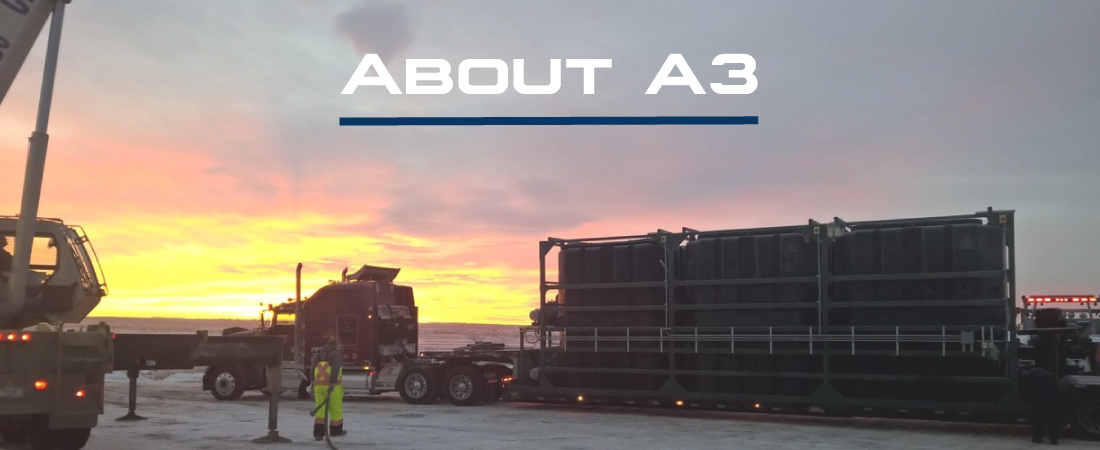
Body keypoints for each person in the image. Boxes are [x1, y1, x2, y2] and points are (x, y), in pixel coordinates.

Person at [312, 329, 346, 440]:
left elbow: (313, 368)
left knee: (320, 410)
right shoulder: (335, 354)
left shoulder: (319, 354)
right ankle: (336, 431)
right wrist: (332, 382)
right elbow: (335, 369)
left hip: (318, 386)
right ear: (335, 345)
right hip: (332, 387)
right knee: (336, 409)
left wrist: (312, 382)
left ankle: (318, 433)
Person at [1019, 366, 1062, 444]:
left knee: (1038, 419)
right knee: (1053, 418)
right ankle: (1053, 439)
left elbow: (1028, 392)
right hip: (1053, 398)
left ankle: (1038, 437)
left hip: (1039, 399)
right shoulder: (1050, 376)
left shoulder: (1030, 377)